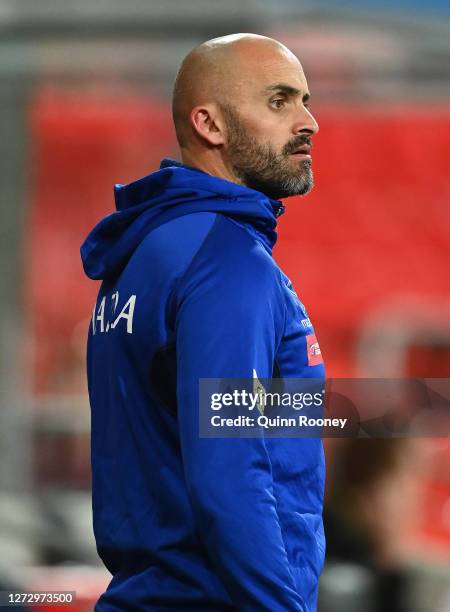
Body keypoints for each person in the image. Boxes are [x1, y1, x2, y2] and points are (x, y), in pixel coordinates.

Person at [81, 33, 325, 611]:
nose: (310, 121)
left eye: (305, 100)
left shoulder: (147, 253)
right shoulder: (228, 264)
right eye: (279, 101)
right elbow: (230, 475)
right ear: (209, 125)